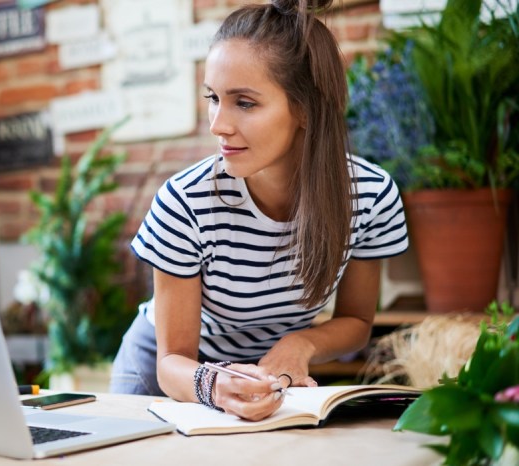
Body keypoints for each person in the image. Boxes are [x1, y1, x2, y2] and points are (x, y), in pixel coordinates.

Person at [109, 0, 409, 422]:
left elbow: (357, 321)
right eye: (213, 98)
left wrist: (301, 345)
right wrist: (214, 384)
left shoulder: (371, 197)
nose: (217, 124)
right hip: (169, 376)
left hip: (267, 379)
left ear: (304, 109)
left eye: (244, 103)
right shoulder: (185, 202)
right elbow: (171, 361)